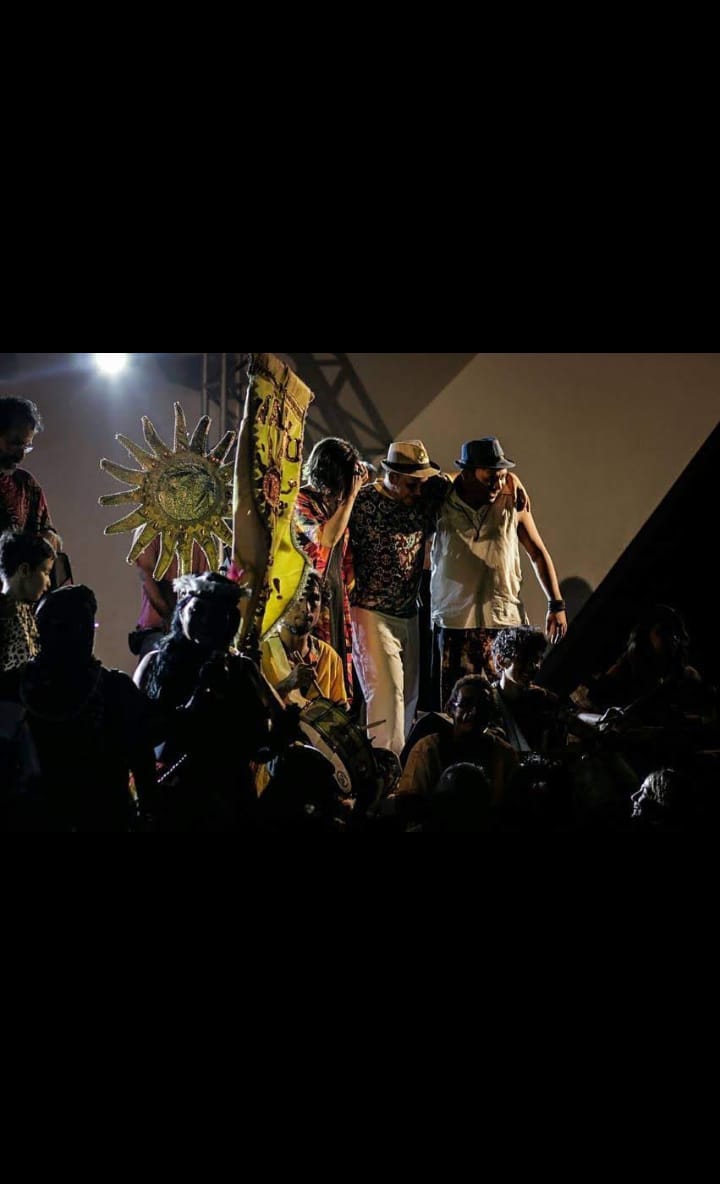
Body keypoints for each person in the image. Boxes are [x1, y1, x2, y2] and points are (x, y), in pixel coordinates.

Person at [0, 585, 156, 830]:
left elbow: (143, 762)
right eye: (64, 627)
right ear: (41, 631)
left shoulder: (114, 689)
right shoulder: (13, 689)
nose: (81, 636)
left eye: (86, 627)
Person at [430, 437, 567, 704]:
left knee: (510, 702)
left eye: (502, 476)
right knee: (459, 705)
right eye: (490, 477)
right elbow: (430, 481)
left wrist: (556, 603)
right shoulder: (443, 498)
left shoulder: (510, 498)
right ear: (467, 474)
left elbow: (537, 552)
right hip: (456, 621)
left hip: (502, 619)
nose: (497, 484)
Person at [348, 439, 448, 755]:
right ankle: (384, 766)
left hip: (408, 612)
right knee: (386, 695)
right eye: (411, 484)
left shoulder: (423, 500)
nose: (417, 492)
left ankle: (400, 767)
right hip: (371, 611)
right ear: (391, 476)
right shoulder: (363, 501)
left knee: (408, 699)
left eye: (421, 484)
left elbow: (460, 481)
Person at [294, 437, 368, 697]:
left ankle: (338, 712)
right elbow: (326, 538)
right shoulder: (300, 500)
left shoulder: (336, 503)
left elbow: (344, 551)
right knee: (318, 666)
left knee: (338, 664)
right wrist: (350, 497)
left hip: (336, 595)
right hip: (310, 598)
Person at [395, 674, 517, 802]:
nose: (474, 712)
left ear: (491, 713)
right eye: (466, 704)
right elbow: (409, 802)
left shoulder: (504, 754)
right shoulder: (427, 750)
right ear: (450, 709)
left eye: (482, 706)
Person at [260, 570, 348, 707]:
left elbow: (339, 706)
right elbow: (253, 710)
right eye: (299, 597)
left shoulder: (330, 658)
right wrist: (288, 684)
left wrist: (341, 712)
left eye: (314, 599)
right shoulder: (262, 652)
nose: (306, 608)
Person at [130, 532, 210, 660]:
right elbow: (147, 574)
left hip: (190, 630)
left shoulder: (203, 530)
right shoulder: (150, 527)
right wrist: (170, 617)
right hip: (160, 628)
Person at [0, 396, 62, 552]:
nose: (21, 456)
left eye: (26, 446)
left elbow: (49, 535)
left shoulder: (26, 485)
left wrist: (49, 538)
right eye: (15, 443)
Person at [0, 532, 55, 671]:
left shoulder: (29, 612)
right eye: (46, 573)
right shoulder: (4, 614)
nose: (49, 583)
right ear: (25, 570)